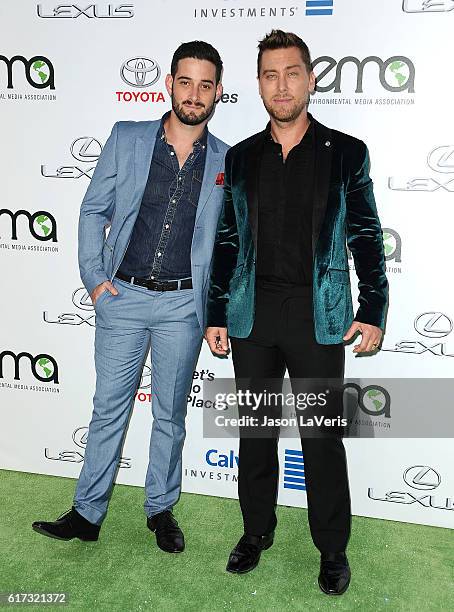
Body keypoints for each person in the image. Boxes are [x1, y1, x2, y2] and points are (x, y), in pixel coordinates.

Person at [205, 30, 388, 595]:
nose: (280, 85)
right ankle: (255, 531)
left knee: (321, 438)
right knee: (256, 434)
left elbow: (365, 235)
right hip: (253, 319)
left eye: (291, 73)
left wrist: (374, 306)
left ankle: (332, 548)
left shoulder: (345, 153)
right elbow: (227, 239)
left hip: (318, 318)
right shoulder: (240, 158)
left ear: (310, 79)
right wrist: (215, 310)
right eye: (269, 75)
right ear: (258, 84)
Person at [32, 41, 229, 554]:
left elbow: (230, 243)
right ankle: (86, 512)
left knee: (169, 414)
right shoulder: (127, 137)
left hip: (184, 308)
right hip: (123, 297)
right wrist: (95, 281)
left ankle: (160, 509)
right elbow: (92, 208)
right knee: (108, 410)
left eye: (205, 84)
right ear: (168, 84)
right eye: (185, 82)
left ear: (218, 93)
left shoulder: (228, 161)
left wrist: (218, 310)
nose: (194, 93)